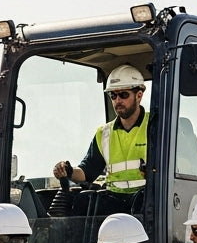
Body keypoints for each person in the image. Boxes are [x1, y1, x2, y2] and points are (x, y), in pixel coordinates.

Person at [53, 64, 151, 213]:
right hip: (113, 202)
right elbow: (87, 172)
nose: (117, 100)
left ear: (139, 95)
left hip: (147, 200)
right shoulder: (104, 133)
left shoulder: (155, 126)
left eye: (123, 95)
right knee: (82, 201)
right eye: (113, 96)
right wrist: (68, 171)